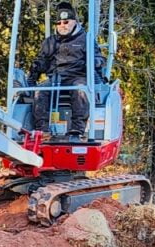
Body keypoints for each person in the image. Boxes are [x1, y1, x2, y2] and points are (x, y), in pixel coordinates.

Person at [27, 2, 105, 142]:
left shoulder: (85, 39)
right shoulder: (50, 42)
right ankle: (43, 131)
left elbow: (99, 58)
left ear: (74, 21)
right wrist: (32, 77)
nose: (62, 25)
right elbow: (41, 61)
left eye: (66, 22)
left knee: (80, 90)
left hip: (78, 77)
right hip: (56, 79)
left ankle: (77, 130)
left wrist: (95, 62)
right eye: (59, 22)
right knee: (40, 91)